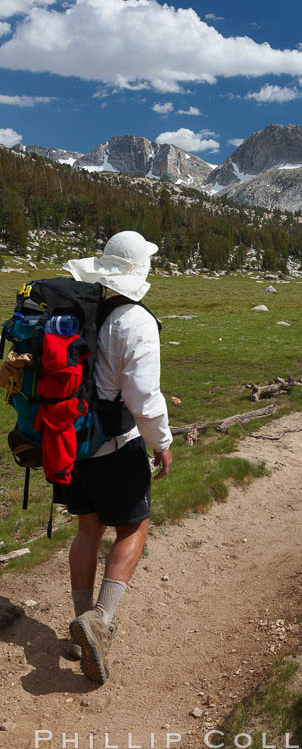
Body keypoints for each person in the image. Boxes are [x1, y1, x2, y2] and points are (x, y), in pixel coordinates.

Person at [60, 231, 173, 684]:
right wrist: (162, 442)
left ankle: (80, 623)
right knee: (133, 525)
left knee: (89, 527)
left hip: (69, 440)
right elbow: (143, 397)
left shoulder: (81, 311)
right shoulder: (136, 321)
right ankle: (100, 624)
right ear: (139, 270)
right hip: (114, 442)